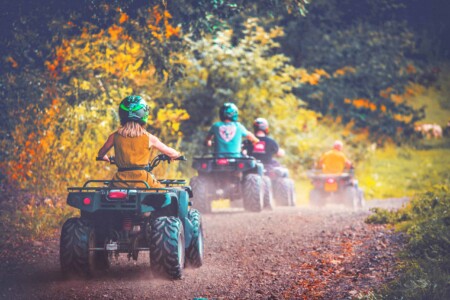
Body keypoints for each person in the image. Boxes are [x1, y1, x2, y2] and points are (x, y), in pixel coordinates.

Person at [97, 95, 181, 188]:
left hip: (119, 182)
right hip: (143, 182)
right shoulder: (149, 137)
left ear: (122, 114)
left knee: (106, 196)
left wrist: (104, 157)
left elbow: (101, 153)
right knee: (166, 196)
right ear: (144, 114)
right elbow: (169, 152)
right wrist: (177, 154)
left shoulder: (114, 136)